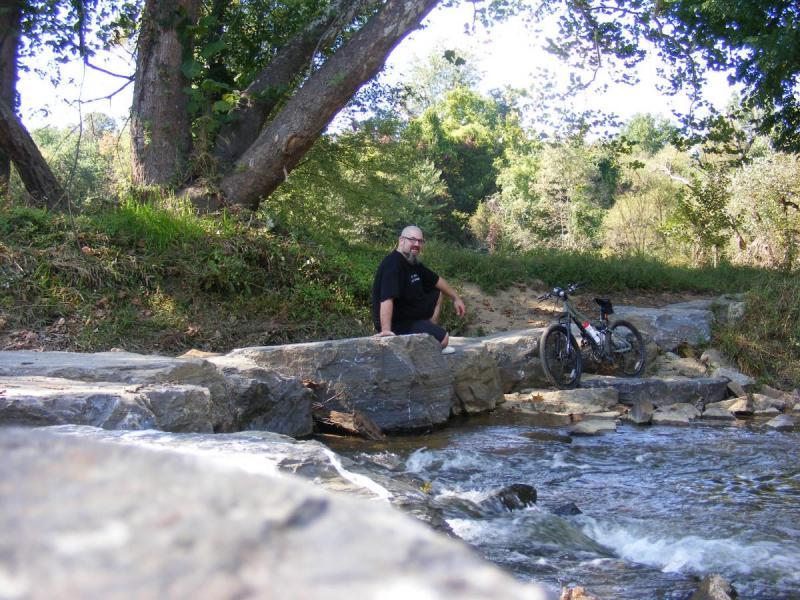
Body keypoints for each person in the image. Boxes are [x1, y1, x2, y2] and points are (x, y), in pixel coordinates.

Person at [371, 225, 466, 352]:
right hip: (396, 323)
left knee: (437, 293)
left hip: (408, 315)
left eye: (420, 241)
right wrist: (386, 331)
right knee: (443, 339)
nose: (417, 244)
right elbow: (386, 298)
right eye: (412, 240)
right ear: (401, 240)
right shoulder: (392, 264)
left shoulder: (412, 262)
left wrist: (456, 298)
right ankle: (428, 341)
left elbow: (437, 280)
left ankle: (426, 334)